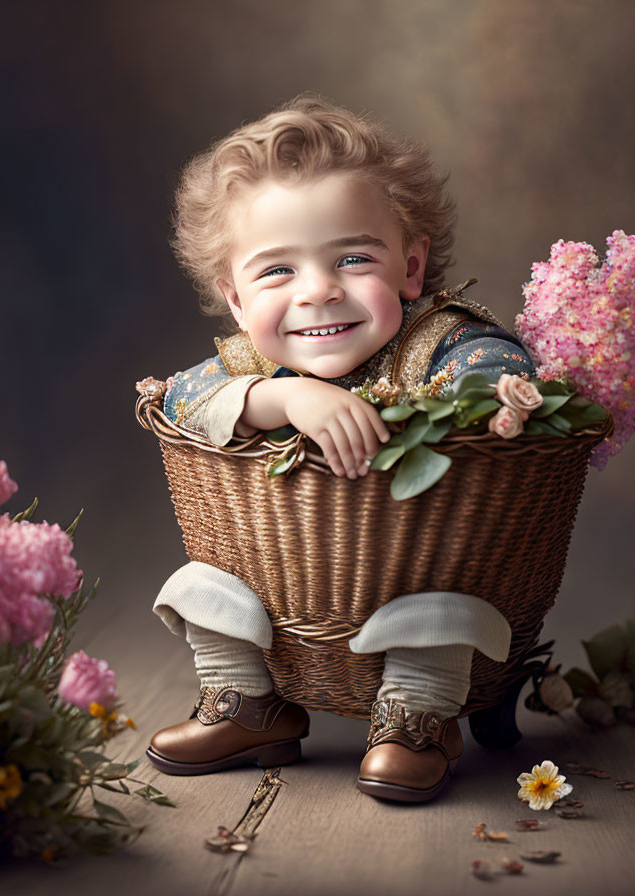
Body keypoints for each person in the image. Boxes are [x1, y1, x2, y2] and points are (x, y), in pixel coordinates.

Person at [146, 94, 534, 802]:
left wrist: (435, 411)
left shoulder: (439, 339)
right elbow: (178, 399)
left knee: (439, 611)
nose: (320, 291)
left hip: (414, 561)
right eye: (277, 271)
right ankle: (248, 702)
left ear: (411, 271)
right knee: (205, 586)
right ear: (236, 300)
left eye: (353, 258)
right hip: (283, 579)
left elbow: (501, 374)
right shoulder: (253, 365)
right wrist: (285, 398)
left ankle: (417, 714)